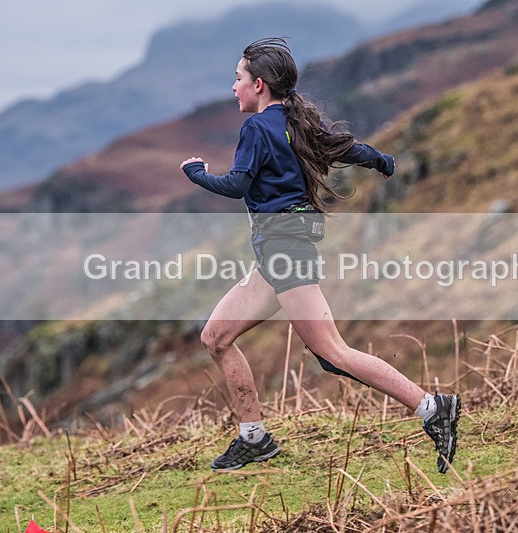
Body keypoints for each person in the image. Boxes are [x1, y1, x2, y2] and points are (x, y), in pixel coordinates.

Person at [180, 38, 460, 473]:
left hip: (285, 253)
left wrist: (197, 174)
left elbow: (236, 185)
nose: (232, 87)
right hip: (278, 252)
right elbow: (347, 148)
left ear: (258, 84)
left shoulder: (257, 128)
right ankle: (253, 438)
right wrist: (381, 161)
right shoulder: (293, 119)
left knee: (333, 353)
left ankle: (432, 407)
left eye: (237, 80)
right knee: (215, 337)